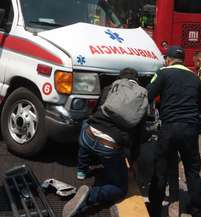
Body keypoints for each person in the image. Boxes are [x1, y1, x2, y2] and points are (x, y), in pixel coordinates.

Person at [63, 68, 148, 217]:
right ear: (137, 81)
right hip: (108, 146)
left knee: (87, 124)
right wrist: (132, 160)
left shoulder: (111, 87)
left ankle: (82, 171)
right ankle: (91, 195)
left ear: (121, 78)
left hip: (87, 135)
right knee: (120, 189)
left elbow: (95, 110)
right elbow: (137, 137)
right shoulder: (141, 97)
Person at [147, 46, 201, 217]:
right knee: (192, 169)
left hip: (170, 127)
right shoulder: (195, 77)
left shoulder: (163, 72)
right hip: (190, 128)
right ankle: (196, 208)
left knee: (160, 168)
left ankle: (156, 207)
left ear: (168, 59)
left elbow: (148, 94)